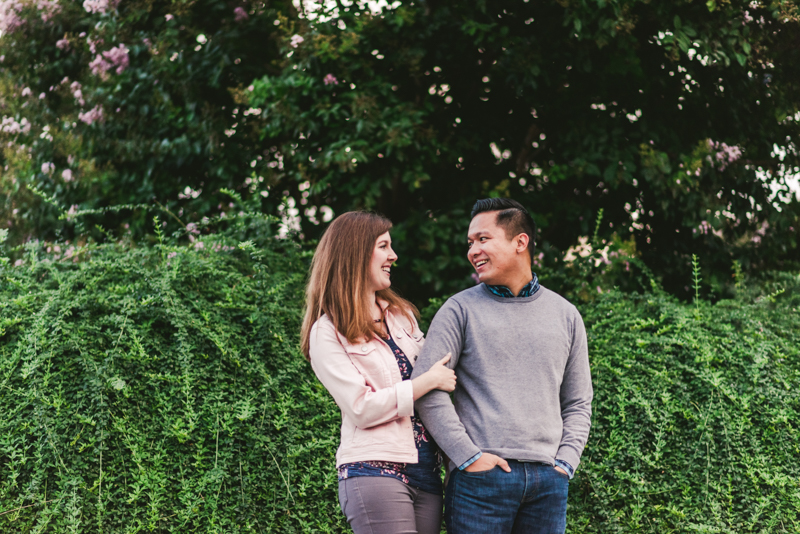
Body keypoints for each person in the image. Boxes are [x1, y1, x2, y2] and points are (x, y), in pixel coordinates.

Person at [410, 198, 593, 534]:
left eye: (483, 239)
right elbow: (425, 388)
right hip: (480, 482)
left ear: (520, 242)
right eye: (470, 243)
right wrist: (467, 457)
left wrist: (565, 463)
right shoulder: (459, 310)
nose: (473, 250)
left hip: (548, 481)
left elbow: (579, 403)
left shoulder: (566, 315)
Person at [301, 211, 456, 534]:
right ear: (356, 253)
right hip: (374, 470)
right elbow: (361, 408)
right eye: (384, 246)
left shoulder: (402, 317)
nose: (393, 256)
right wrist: (426, 382)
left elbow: (443, 371)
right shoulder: (327, 332)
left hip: (427, 473)